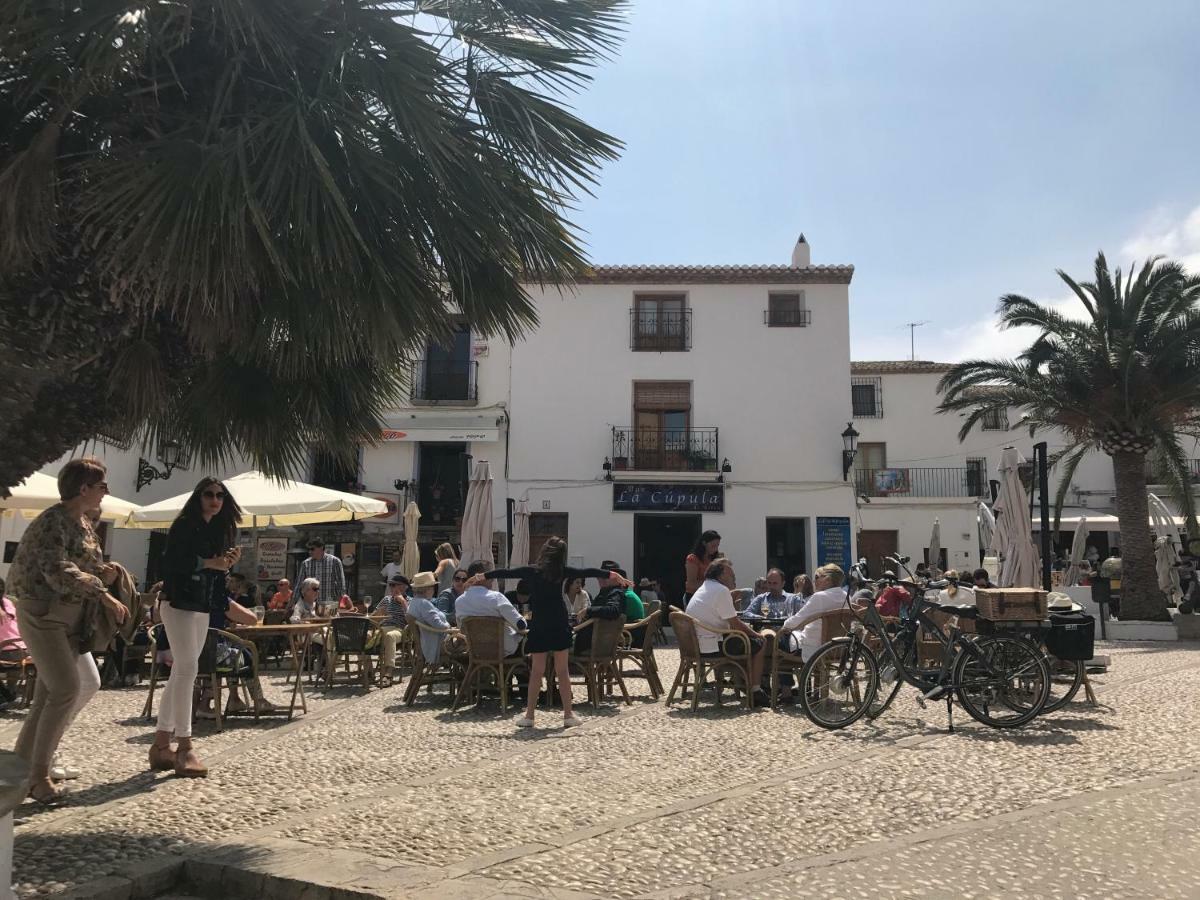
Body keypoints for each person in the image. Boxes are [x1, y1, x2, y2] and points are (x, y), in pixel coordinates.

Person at [6, 458, 129, 804]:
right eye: (102, 485)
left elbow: (80, 564)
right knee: (66, 689)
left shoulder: (84, 522)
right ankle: (38, 775)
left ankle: (22, 771)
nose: (106, 491)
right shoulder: (53, 521)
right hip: (44, 613)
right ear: (83, 488)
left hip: (71, 618)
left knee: (56, 692)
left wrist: (105, 572)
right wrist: (103, 594)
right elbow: (55, 569)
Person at [149, 475, 242, 779]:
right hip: (178, 602)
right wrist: (209, 563)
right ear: (198, 497)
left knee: (182, 672)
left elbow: (215, 568)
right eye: (208, 494)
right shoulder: (184, 525)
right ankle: (185, 746)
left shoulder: (218, 530)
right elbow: (174, 562)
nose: (215, 499)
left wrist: (226, 563)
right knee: (187, 667)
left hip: (203, 604)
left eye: (220, 495)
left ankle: (162, 744)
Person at [482, 539, 630, 729]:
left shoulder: (532, 571)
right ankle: (568, 715)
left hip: (540, 622)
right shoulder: (562, 572)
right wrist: (613, 574)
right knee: (563, 671)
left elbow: (506, 572)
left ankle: (529, 716)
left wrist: (481, 576)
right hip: (559, 621)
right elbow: (589, 572)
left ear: (544, 551)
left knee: (536, 671)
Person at [685, 558, 768, 706]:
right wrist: (756, 634)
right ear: (722, 575)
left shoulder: (705, 588)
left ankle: (743, 683)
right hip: (713, 645)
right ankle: (755, 690)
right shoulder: (721, 590)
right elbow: (735, 624)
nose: (733, 578)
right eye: (731, 575)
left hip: (697, 644)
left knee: (743, 642)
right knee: (759, 643)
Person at [202, 574, 277, 716]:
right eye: (227, 580)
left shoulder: (192, 598)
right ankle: (257, 699)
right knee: (247, 654)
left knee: (235, 649)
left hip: (189, 653)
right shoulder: (219, 599)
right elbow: (252, 619)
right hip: (213, 655)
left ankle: (232, 699)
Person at [777, 564, 853, 661]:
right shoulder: (847, 597)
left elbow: (794, 622)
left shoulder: (819, 597)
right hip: (838, 648)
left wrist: (784, 625)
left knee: (778, 640)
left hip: (814, 649)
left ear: (827, 579)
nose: (814, 581)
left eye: (818, 577)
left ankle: (775, 675)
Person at [455, 561, 529, 659]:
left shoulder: (459, 601)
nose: (493, 579)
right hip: (503, 650)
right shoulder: (496, 598)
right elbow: (520, 624)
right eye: (490, 575)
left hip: (475, 651)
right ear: (480, 577)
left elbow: (461, 627)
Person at [574, 562, 643, 654]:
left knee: (557, 644)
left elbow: (613, 610)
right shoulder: (607, 592)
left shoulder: (616, 593)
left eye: (605, 576)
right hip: (595, 640)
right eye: (599, 576)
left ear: (616, 578)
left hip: (594, 644)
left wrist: (588, 610)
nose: (600, 579)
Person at [406, 572, 453, 666]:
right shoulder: (424, 604)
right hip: (436, 644)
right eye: (433, 587)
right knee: (469, 644)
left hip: (427, 642)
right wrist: (449, 626)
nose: (434, 590)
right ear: (427, 589)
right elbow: (439, 625)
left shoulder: (414, 602)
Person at [376, 573, 411, 686]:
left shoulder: (410, 601)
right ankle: (369, 671)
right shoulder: (386, 599)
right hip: (382, 628)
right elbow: (375, 617)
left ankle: (388, 673)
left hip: (400, 629)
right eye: (390, 585)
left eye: (394, 585)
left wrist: (403, 602)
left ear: (404, 587)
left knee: (390, 636)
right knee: (364, 635)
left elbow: (411, 619)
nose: (391, 588)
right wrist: (377, 615)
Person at [0, 576, 29, 706]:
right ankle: (8, 693)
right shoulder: (9, 603)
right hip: (23, 652)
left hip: (5, 654)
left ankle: (5, 695)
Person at [295, 539, 346, 608]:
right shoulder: (305, 563)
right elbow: (299, 585)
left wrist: (338, 604)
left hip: (329, 604)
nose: (310, 552)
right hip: (310, 605)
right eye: (309, 549)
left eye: (312, 549)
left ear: (321, 548)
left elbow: (341, 585)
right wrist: (292, 603)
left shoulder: (335, 561)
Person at [683, 530, 722, 609]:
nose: (716, 549)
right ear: (704, 543)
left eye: (717, 546)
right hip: (695, 596)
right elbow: (691, 584)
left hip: (711, 596)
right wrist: (712, 584)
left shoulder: (716, 559)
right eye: (713, 546)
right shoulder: (693, 559)